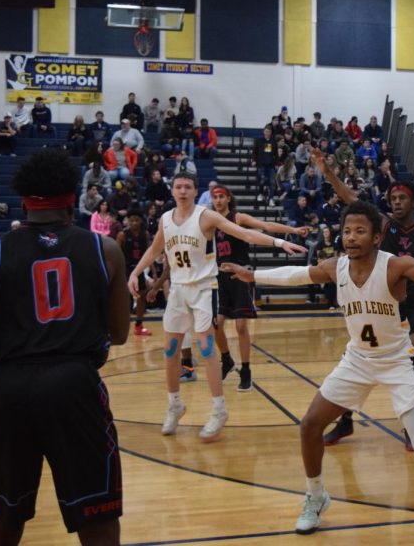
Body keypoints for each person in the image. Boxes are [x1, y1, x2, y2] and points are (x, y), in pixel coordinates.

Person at [220, 200, 414, 544]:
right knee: (309, 425)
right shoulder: (336, 267)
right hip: (357, 360)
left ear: (377, 237)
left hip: (396, 361)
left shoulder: (396, 266)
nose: (351, 237)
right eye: (347, 230)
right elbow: (296, 274)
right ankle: (316, 496)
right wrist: (252, 275)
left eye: (360, 231)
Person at [0, 149, 129, 545]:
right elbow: (118, 333)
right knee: (97, 522)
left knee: (2, 522)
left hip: (8, 389)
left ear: (23, 199)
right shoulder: (105, 250)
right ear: (72, 196)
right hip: (74, 386)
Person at [127, 172, 307, 442]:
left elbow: (244, 233)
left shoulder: (206, 216)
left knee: (206, 347)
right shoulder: (166, 219)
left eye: (188, 186)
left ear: (194, 190)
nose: (183, 191)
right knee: (171, 348)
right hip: (177, 290)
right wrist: (135, 272)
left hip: (203, 288)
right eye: (178, 187)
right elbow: (154, 250)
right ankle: (175, 404)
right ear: (172, 191)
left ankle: (219, 410)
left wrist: (280, 242)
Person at [314, 150, 414, 448]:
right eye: (392, 198)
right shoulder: (382, 224)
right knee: (357, 366)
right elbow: (350, 199)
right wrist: (328, 172)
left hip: (412, 309)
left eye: (401, 198)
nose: (395, 202)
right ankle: (344, 423)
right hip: (378, 307)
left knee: (412, 367)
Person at [209, 184, 307, 391]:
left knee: (241, 326)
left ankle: (246, 371)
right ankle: (226, 359)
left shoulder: (237, 217)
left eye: (221, 196)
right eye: (214, 197)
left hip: (241, 275)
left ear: (228, 199)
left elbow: (266, 226)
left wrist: (293, 230)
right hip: (219, 277)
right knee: (215, 325)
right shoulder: (211, 221)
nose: (218, 200)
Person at [118, 209, 153, 336]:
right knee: (125, 298)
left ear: (141, 221)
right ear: (128, 221)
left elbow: (150, 254)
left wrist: (153, 272)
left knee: (141, 296)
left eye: (136, 220)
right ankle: (121, 325)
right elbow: (117, 254)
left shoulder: (145, 235)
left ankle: (139, 325)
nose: (134, 223)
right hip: (126, 269)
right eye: (131, 220)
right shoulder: (122, 235)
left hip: (139, 269)